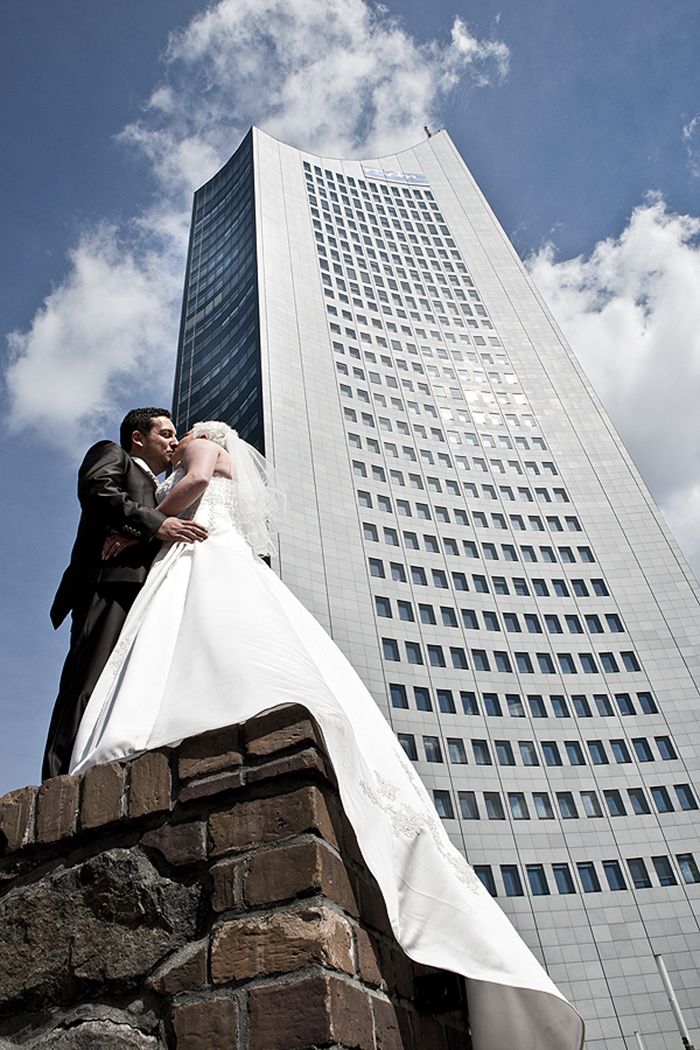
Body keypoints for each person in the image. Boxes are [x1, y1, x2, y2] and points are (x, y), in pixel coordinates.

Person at [70, 421, 584, 1050]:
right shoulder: (183, 460)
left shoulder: (205, 451)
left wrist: (149, 524)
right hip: (212, 549)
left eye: (184, 432)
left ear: (208, 435)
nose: (179, 442)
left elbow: (197, 481)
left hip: (202, 549)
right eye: (168, 434)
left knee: (210, 639)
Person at [42, 408, 208, 780]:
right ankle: (56, 780)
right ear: (138, 438)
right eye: (165, 434)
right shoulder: (111, 454)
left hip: (150, 594)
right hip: (109, 583)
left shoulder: (165, 487)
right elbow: (98, 492)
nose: (172, 442)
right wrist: (157, 523)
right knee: (87, 681)